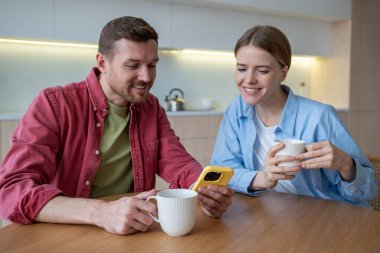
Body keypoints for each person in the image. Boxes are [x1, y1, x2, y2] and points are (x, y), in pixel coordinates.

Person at [0, 16, 234, 235]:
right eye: (133, 66)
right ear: (102, 63)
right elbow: (12, 189)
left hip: (129, 231)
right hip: (68, 232)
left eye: (152, 65)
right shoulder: (55, 104)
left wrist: (203, 189)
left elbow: (177, 161)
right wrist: (101, 212)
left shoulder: (150, 107)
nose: (146, 77)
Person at [210, 25, 377, 208]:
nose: (249, 79)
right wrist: (262, 178)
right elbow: (221, 171)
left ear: (283, 72)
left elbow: (369, 191)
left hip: (328, 218)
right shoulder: (236, 109)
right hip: (274, 216)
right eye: (242, 68)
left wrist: (346, 165)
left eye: (262, 70)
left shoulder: (319, 117)